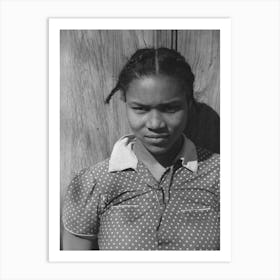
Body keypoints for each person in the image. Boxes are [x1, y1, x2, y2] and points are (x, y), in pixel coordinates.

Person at [62, 47, 220, 250]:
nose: (155, 123)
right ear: (125, 103)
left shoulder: (221, 176)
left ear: (189, 104)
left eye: (170, 108)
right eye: (141, 109)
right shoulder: (94, 185)